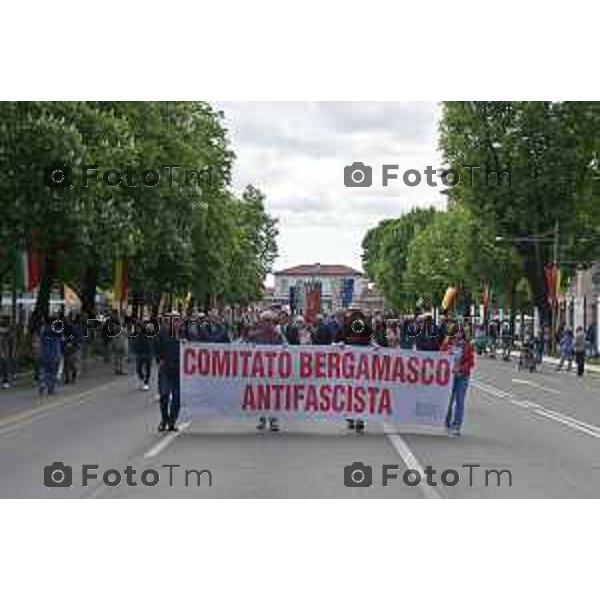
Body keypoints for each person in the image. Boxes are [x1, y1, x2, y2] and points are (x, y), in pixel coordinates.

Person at [246, 310, 283, 432]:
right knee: (260, 396)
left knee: (273, 396)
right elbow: (242, 346)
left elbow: (287, 349)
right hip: (259, 371)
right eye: (265, 321)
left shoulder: (278, 336)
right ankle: (262, 419)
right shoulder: (255, 335)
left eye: (269, 321)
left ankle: (273, 420)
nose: (267, 323)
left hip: (273, 371)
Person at [442, 329, 475, 436]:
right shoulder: (448, 344)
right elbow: (440, 356)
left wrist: (461, 369)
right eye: (455, 332)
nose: (457, 334)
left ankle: (456, 426)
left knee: (459, 401)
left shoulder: (467, 346)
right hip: (449, 377)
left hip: (462, 376)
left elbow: (471, 362)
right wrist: (446, 344)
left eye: (460, 332)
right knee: (448, 400)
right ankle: (447, 422)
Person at [155, 313, 183, 432]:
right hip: (166, 369)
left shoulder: (184, 334)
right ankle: (164, 419)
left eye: (178, 320)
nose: (176, 323)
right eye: (173, 320)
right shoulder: (162, 332)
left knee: (177, 397)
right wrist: (159, 359)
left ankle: (172, 421)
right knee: (164, 395)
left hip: (179, 371)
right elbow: (156, 346)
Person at [39, 315, 62, 396]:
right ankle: (50, 388)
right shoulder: (58, 330)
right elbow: (62, 340)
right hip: (55, 353)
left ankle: (43, 383)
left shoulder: (43, 329)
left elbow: (41, 340)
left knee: (45, 370)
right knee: (53, 372)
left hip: (44, 353)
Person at [132, 317, 155, 391]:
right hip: (139, 351)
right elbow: (133, 335)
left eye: (146, 322)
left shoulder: (150, 328)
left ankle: (146, 382)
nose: (145, 323)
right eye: (144, 322)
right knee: (138, 367)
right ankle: (142, 376)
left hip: (148, 351)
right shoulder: (138, 328)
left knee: (147, 367)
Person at [0, 317, 13, 389]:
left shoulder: (8, 333)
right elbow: (10, 343)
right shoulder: (8, 333)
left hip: (4, 352)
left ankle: (5, 381)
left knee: (4, 367)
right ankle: (5, 381)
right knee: (5, 367)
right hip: (5, 352)